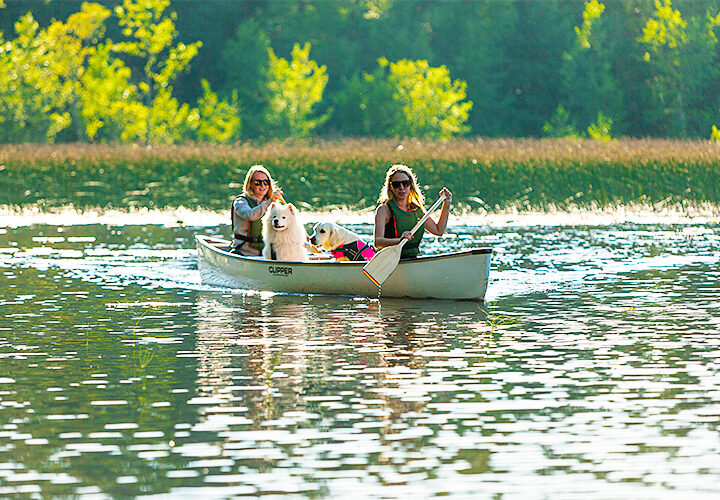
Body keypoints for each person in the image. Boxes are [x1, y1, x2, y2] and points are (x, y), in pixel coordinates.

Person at [373, 164, 452, 259]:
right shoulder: (384, 210)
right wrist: (400, 240)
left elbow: (438, 231)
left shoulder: (417, 210)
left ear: (410, 185)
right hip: (388, 260)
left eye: (405, 183)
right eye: (396, 184)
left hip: (411, 258)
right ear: (391, 187)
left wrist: (446, 204)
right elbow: (378, 242)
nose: (401, 188)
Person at [231, 165, 283, 255]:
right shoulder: (240, 202)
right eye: (258, 182)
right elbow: (250, 215)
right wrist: (270, 201)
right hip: (245, 251)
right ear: (250, 184)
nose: (262, 185)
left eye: (265, 182)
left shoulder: (273, 203)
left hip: (267, 251)